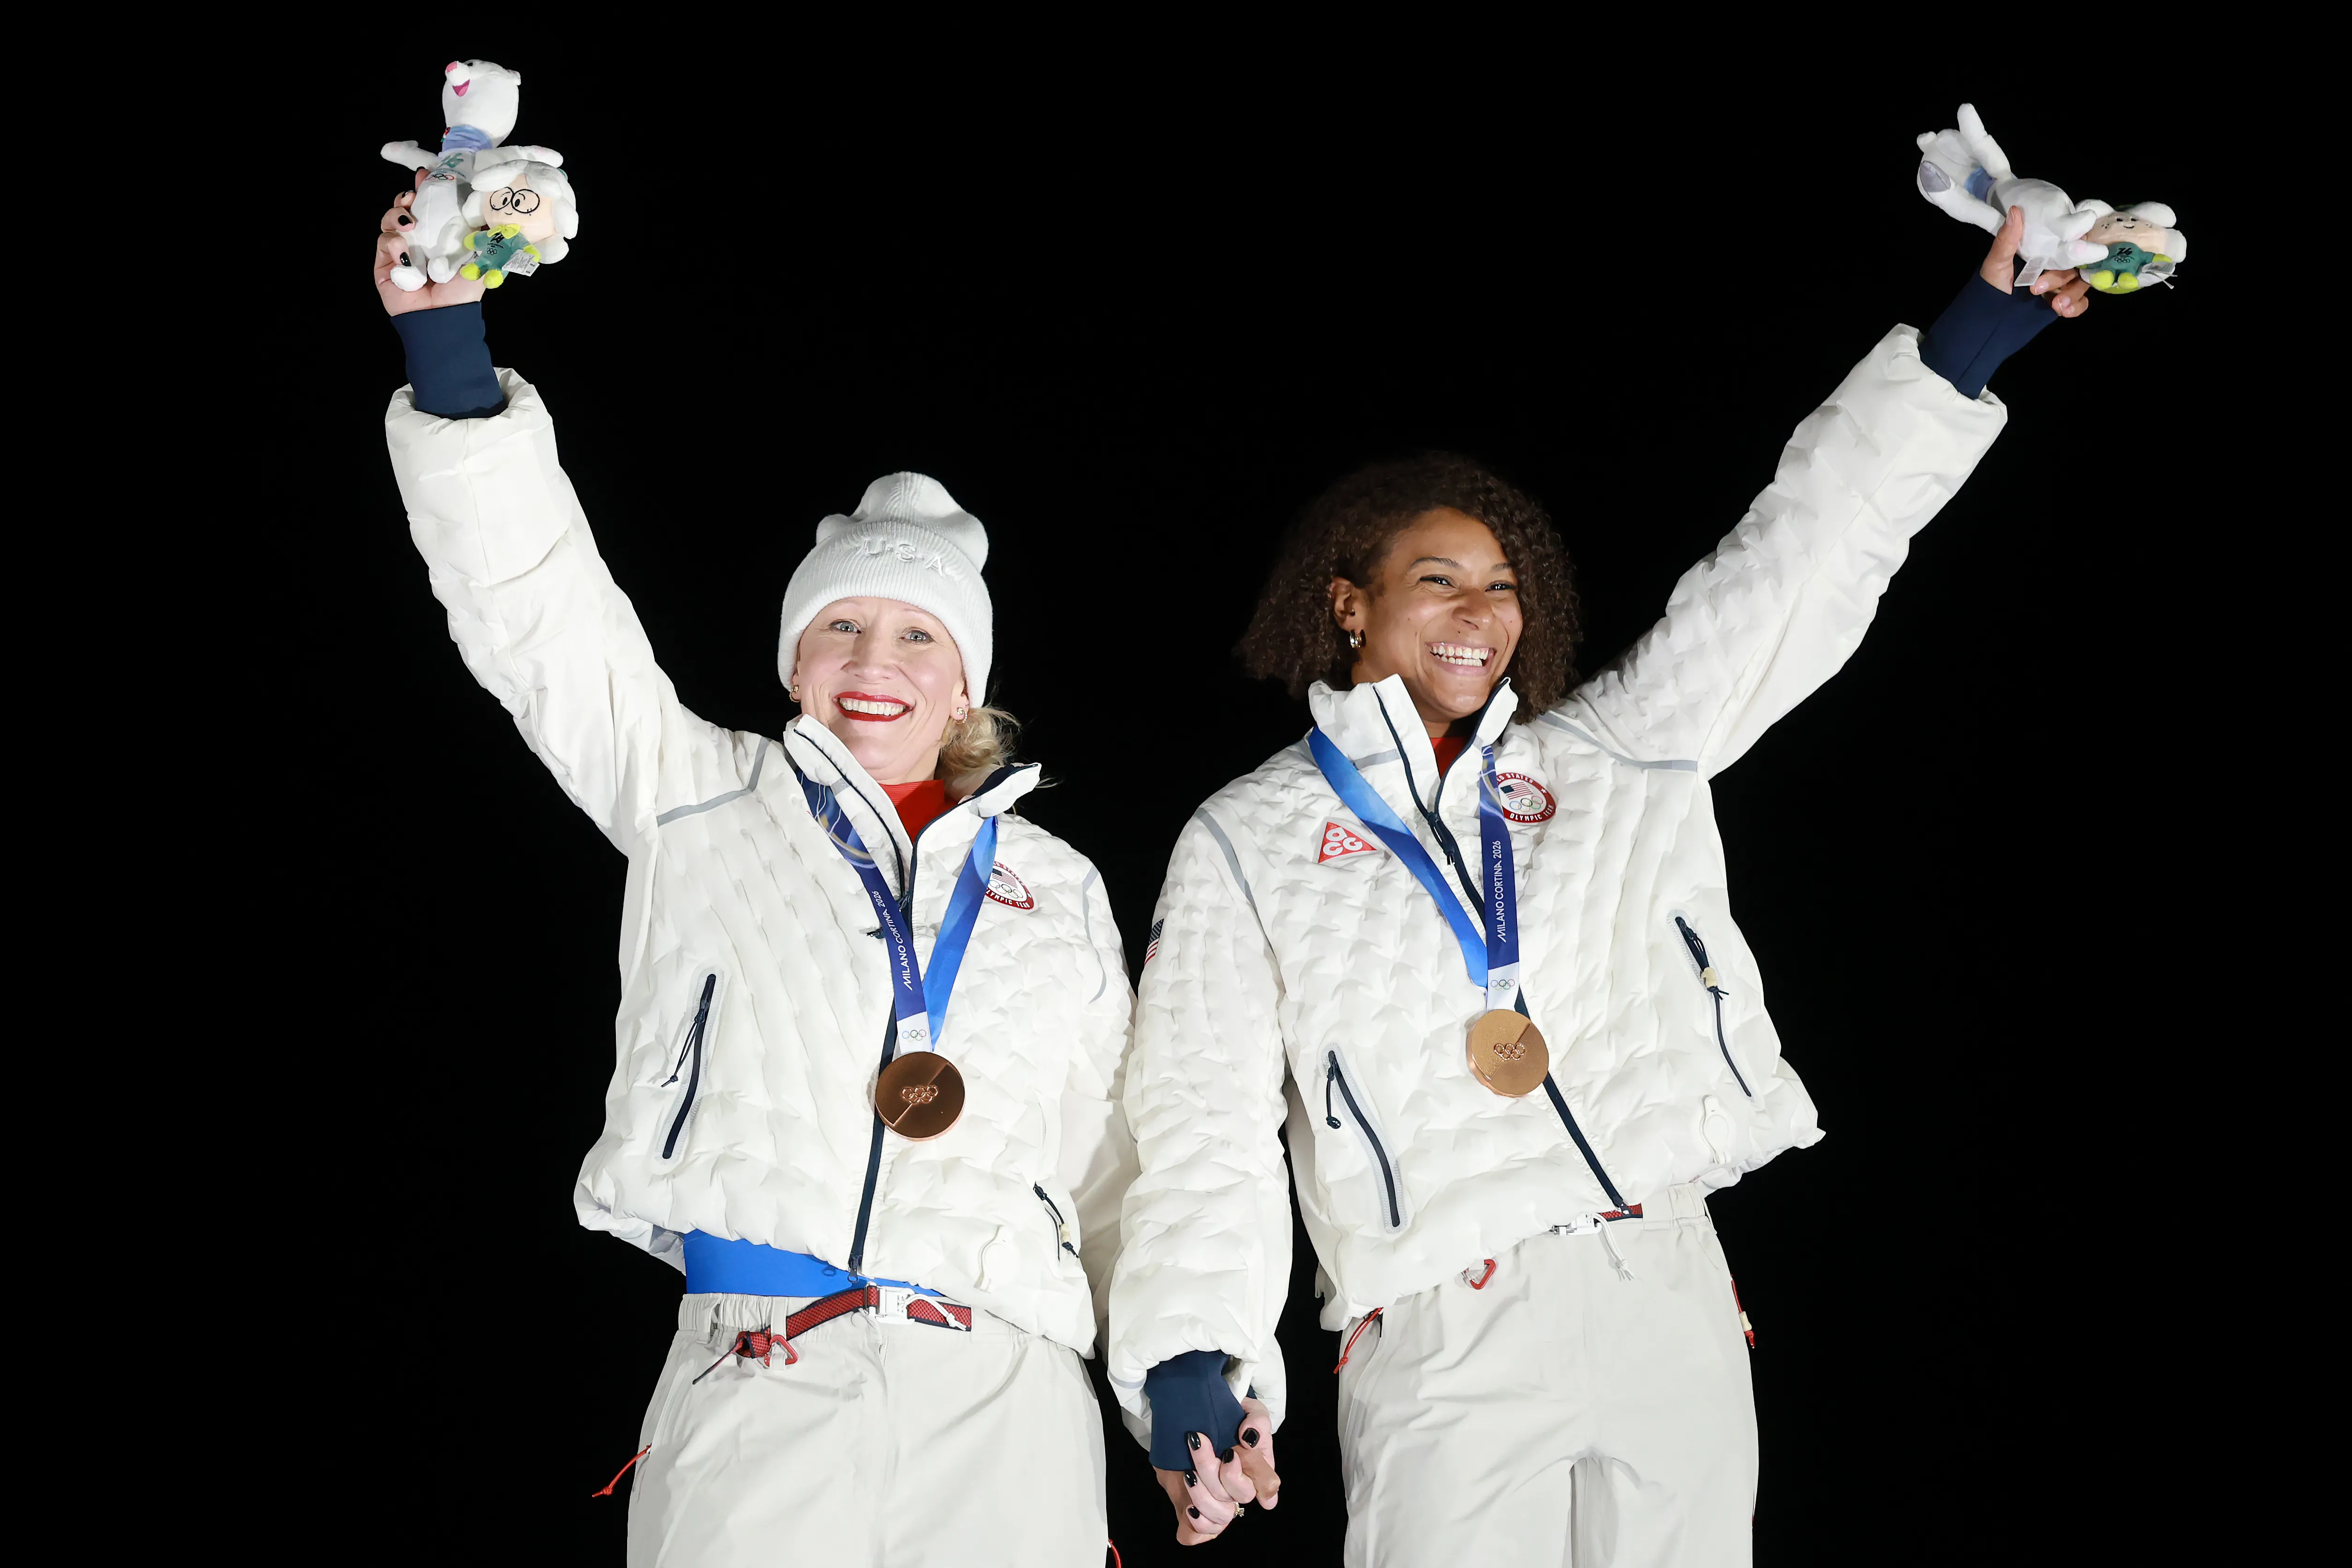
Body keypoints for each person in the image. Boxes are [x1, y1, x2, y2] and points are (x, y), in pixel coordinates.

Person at [1105, 206, 2101, 1563]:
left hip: (1658, 1284)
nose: (1480, 610)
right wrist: (1191, 1357)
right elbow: (1200, 1120)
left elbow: (1797, 559)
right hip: (1445, 1320)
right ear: (1348, 603)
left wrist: (1972, 336)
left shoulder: (1607, 757)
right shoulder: (1247, 835)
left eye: (1504, 583)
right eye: (1436, 577)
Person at [373, 174, 1136, 1568]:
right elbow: (538, 613)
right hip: (768, 1370)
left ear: (968, 682)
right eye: (840, 627)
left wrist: (1188, 1383)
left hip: (1009, 1402)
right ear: (794, 661)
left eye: (916, 638)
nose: (873, 664)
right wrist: (448, 354)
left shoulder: (1056, 886)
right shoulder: (699, 795)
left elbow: (1108, 1166)